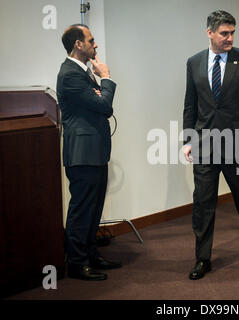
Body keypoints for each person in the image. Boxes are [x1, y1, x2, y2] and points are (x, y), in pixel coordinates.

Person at [183, 10, 239, 280]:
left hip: (238, 144)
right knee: (203, 202)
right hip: (205, 145)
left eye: (232, 32)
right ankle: (202, 258)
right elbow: (190, 105)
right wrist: (188, 139)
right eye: (224, 33)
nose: (230, 38)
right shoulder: (194, 62)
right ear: (210, 32)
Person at [57, 24, 121, 281]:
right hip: (82, 153)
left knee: (94, 208)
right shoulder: (70, 74)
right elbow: (104, 106)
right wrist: (105, 78)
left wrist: (98, 89)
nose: (96, 45)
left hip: (94, 151)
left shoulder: (81, 72)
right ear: (78, 45)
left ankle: (91, 254)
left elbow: (98, 103)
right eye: (91, 40)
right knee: (82, 209)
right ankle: (77, 262)